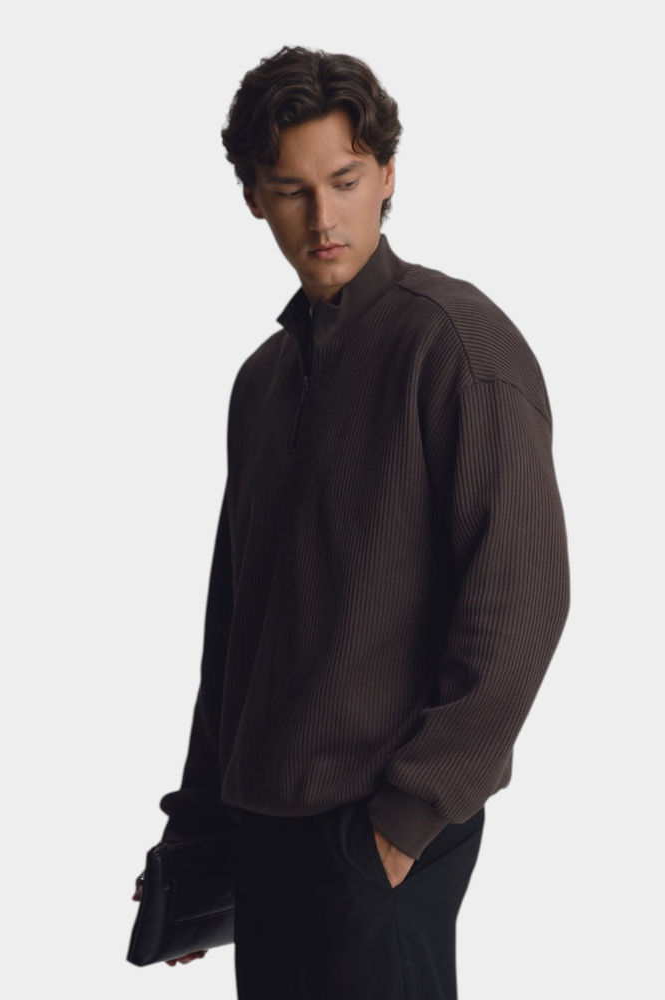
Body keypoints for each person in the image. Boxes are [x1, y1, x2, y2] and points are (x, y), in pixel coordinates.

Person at [132, 44, 571, 998]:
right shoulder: (261, 383)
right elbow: (235, 632)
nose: (323, 219)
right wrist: (200, 832)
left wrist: (405, 820)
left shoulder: (455, 346)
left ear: (388, 176)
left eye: (345, 180)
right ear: (253, 197)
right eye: (292, 190)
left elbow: (523, 598)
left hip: (376, 835)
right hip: (263, 838)